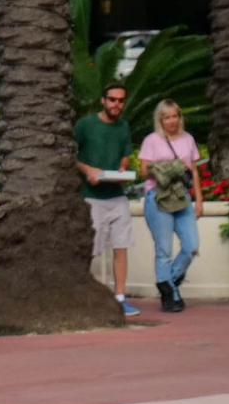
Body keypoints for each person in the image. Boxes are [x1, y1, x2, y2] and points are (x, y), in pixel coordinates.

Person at [74, 85, 140, 316]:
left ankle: (120, 298)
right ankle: (82, 296)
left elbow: (125, 154)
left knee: (121, 247)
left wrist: (123, 167)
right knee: (91, 248)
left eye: (121, 101)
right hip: (91, 198)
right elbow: (69, 155)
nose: (116, 105)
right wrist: (87, 169)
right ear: (103, 100)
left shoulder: (123, 127)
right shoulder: (85, 125)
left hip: (117, 196)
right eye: (112, 100)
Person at [136, 100, 205, 313]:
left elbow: (193, 170)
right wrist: (168, 168)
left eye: (175, 116)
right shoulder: (152, 140)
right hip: (158, 196)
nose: (172, 121)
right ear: (160, 120)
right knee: (164, 249)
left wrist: (199, 199)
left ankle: (169, 282)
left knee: (192, 245)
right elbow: (144, 171)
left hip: (182, 196)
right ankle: (170, 295)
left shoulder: (188, 139)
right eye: (167, 117)